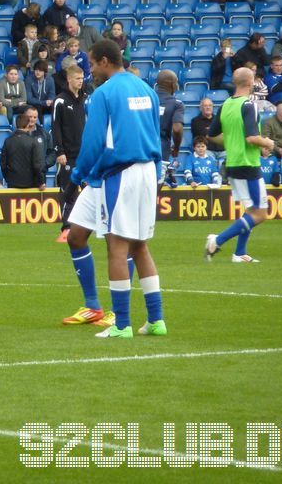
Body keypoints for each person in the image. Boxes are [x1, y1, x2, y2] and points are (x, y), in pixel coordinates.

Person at [71, 38, 164, 339]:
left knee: (117, 246)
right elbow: (156, 135)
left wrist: (77, 175)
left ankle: (122, 324)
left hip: (120, 174)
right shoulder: (147, 89)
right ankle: (156, 320)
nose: (90, 70)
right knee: (141, 246)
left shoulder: (104, 93)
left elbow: (93, 142)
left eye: (92, 63)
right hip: (149, 170)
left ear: (105, 61)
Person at [205, 67, 276, 264]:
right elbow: (252, 137)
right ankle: (216, 240)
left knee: (250, 210)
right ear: (250, 82)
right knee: (261, 214)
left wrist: (233, 143)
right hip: (247, 164)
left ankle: (239, 253)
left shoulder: (226, 103)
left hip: (233, 163)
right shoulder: (249, 105)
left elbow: (211, 135)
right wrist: (268, 143)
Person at [52, 65, 87, 239]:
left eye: (82, 78)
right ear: (69, 79)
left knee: (89, 190)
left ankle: (87, 226)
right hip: (68, 155)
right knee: (68, 191)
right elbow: (55, 127)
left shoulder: (84, 99)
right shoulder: (60, 100)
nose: (80, 82)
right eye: (77, 78)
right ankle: (66, 228)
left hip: (84, 154)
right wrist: (60, 151)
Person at [0, 112, 46, 189]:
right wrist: (41, 181)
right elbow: (37, 164)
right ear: (28, 125)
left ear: (16, 124)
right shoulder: (33, 141)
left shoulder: (8, 141)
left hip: (12, 182)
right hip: (30, 183)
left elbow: (3, 163)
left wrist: (8, 178)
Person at [155, 70, 184, 178]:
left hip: (141, 150)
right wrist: (176, 147)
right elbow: (177, 129)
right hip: (161, 151)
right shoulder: (177, 104)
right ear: (172, 85)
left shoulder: (146, 98)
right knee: (156, 187)